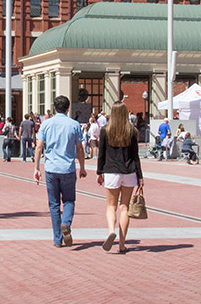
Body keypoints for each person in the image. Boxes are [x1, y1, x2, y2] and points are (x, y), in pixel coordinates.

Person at [33, 95, 86, 248]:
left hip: (51, 168)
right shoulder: (74, 125)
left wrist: (36, 167)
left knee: (54, 204)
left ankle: (57, 239)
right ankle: (66, 223)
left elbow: (39, 146)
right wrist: (82, 167)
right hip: (68, 168)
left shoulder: (46, 124)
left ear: (54, 108)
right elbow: (79, 148)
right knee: (69, 200)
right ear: (68, 109)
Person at [96, 101, 143, 253]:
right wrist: (140, 176)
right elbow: (135, 156)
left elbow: (101, 154)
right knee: (125, 207)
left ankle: (111, 231)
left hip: (111, 171)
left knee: (111, 206)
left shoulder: (106, 130)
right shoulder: (132, 131)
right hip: (129, 172)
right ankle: (122, 244)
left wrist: (99, 172)